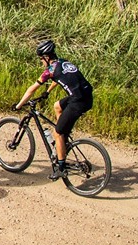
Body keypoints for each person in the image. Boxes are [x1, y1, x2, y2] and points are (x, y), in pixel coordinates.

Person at [15, 40, 93, 178]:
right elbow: (59, 79)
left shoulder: (50, 70)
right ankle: (64, 140)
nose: (41, 62)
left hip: (78, 102)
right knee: (57, 106)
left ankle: (61, 168)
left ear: (46, 57)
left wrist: (19, 105)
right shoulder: (63, 62)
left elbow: (32, 89)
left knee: (57, 133)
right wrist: (48, 92)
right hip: (86, 96)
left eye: (41, 59)